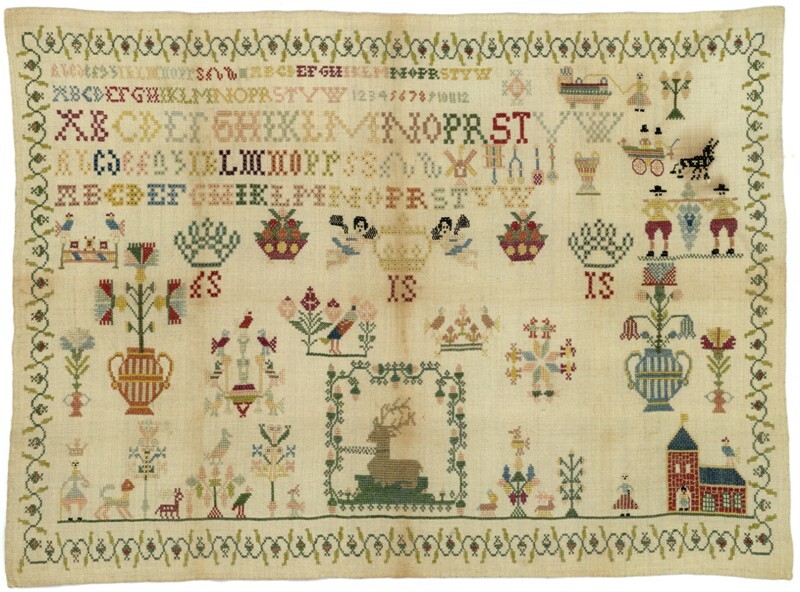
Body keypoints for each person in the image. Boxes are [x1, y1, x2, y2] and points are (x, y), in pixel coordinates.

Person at [702, 184, 740, 255]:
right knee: (720, 232)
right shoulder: (724, 200)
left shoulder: (718, 200)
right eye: (720, 193)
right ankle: (728, 248)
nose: (721, 194)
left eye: (723, 193)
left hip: (721, 218)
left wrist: (703, 203)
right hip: (726, 217)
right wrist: (732, 212)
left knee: (719, 231)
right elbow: (736, 207)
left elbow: (709, 208)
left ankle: (720, 248)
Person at [643, 185, 676, 258]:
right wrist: (675, 205)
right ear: (654, 194)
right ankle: (655, 251)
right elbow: (671, 209)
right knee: (653, 236)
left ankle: (661, 251)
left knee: (663, 236)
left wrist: (650, 216)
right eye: (656, 194)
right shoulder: (658, 201)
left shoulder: (656, 201)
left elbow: (645, 210)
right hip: (659, 219)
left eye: (659, 194)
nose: (658, 195)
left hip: (657, 219)